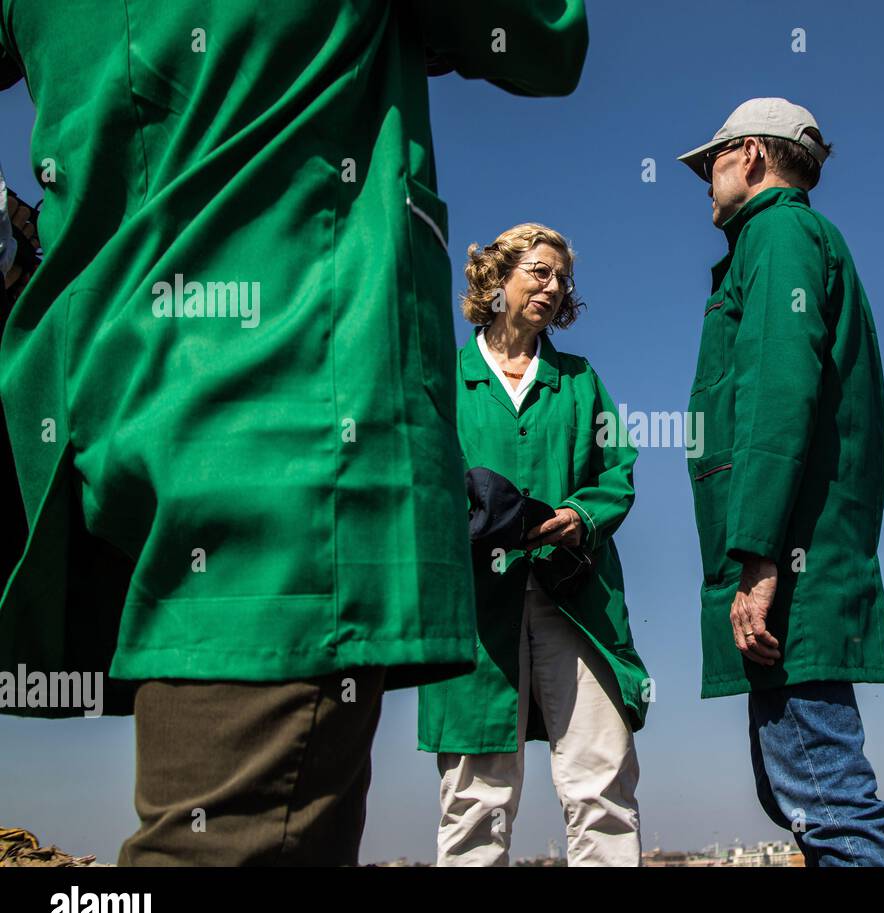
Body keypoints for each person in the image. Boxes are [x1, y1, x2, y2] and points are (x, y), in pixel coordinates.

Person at [0, 1, 589, 865]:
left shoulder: (579, 384)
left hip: (98, 403)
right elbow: (546, 38)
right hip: (284, 436)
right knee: (231, 843)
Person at [676, 97, 884, 866]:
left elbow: (778, 391)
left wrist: (759, 557)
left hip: (789, 570)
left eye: (710, 163)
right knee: (801, 792)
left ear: (748, 156)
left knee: (827, 800)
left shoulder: (776, 235)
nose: (705, 180)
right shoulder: (792, 240)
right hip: (796, 559)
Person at [419, 223, 648, 867]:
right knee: (474, 793)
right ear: (499, 278)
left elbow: (617, 469)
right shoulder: (444, 375)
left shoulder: (579, 379)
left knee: (601, 780)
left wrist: (580, 513)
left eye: (561, 277)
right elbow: (419, 470)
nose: (553, 286)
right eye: (539, 271)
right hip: (474, 605)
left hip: (574, 594)